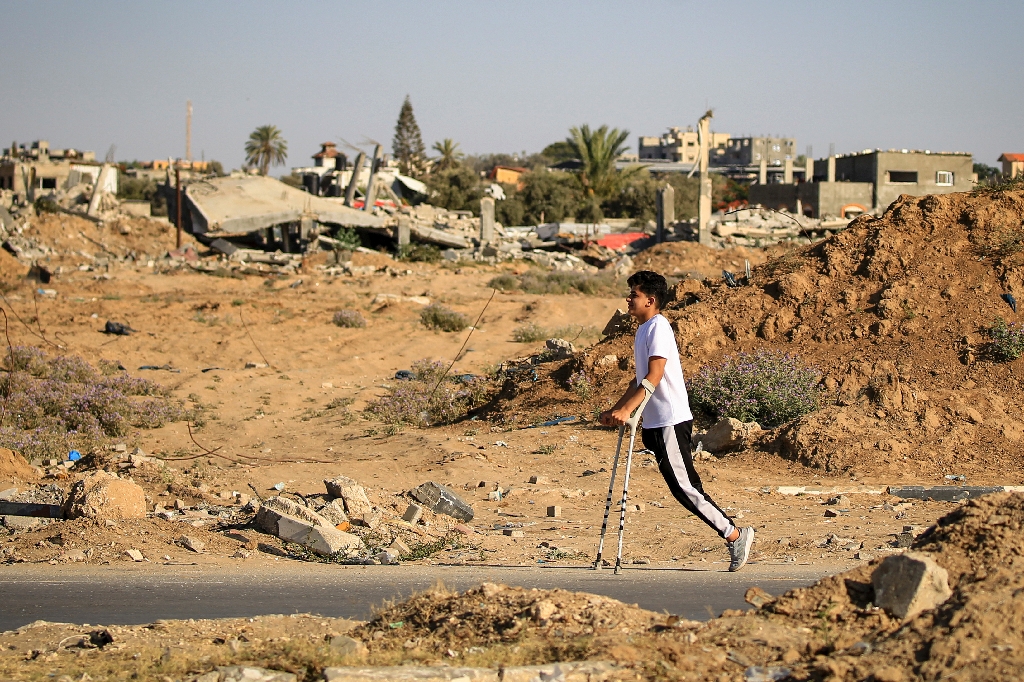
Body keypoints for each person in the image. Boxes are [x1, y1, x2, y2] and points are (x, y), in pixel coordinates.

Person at [599, 270, 754, 572]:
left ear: (651, 300)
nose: (629, 299)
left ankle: (735, 535)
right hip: (656, 422)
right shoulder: (643, 329)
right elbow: (639, 379)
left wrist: (629, 411)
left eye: (634, 294)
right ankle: (733, 533)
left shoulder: (659, 327)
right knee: (681, 487)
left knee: (685, 488)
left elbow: (654, 377)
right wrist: (616, 409)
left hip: (671, 419)